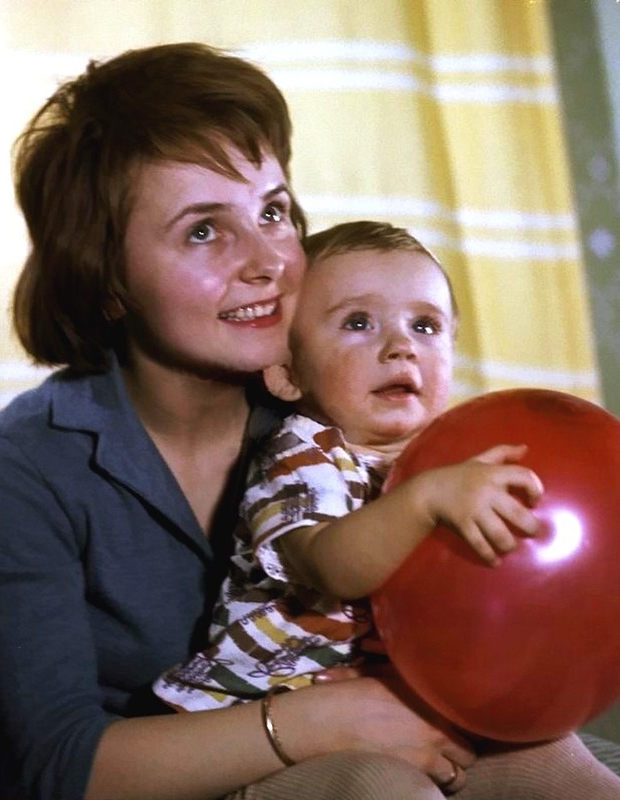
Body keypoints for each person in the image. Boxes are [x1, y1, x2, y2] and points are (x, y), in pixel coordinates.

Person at [0, 43, 482, 800]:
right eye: (204, 231)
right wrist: (317, 722)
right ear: (106, 279)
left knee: (565, 765)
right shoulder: (14, 475)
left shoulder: (343, 403)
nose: (269, 262)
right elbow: (60, 767)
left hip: (372, 717)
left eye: (273, 211)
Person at [153, 220, 620, 800]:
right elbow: (331, 567)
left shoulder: (461, 459)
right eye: (358, 323)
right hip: (287, 717)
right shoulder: (303, 454)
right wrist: (424, 503)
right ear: (288, 372)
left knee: (565, 765)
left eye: (425, 325)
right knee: (389, 790)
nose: (401, 346)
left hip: (426, 705)